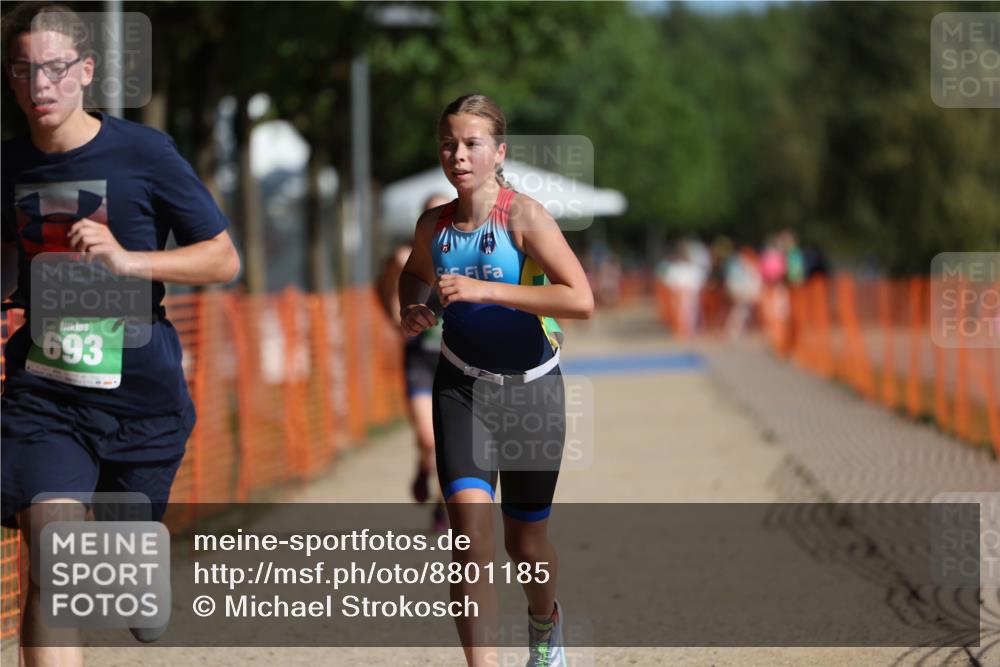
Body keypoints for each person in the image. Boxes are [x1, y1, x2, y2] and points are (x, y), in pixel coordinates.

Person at [1, 3, 240, 663]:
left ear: (86, 70)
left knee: (127, 592)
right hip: (47, 394)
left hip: (141, 400)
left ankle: (137, 568)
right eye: (23, 69)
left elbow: (223, 260)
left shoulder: (144, 153)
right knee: (52, 557)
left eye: (55, 68)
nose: (40, 84)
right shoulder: (7, 165)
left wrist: (129, 261)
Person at [398, 94, 593, 667]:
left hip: (532, 390)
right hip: (462, 389)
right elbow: (413, 275)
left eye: (471, 144)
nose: (458, 155)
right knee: (469, 543)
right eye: (448, 144)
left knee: (525, 544)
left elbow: (580, 299)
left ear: (499, 152)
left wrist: (486, 290)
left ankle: (544, 624)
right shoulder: (432, 226)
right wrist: (413, 308)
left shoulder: (524, 216)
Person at [375, 194, 450, 531]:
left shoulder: (465, 255)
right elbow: (384, 286)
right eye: (434, 212)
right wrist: (396, 314)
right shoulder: (406, 256)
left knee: (450, 443)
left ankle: (442, 506)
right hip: (420, 361)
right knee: (428, 439)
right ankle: (423, 465)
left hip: (455, 361)